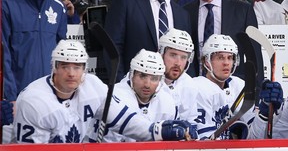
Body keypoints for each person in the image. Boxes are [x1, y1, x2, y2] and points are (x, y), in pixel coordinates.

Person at [13, 40, 197, 143]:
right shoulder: (34, 101)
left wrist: (157, 131)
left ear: (84, 69)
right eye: (65, 66)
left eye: (77, 67)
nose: (71, 73)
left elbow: (126, 121)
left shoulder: (93, 87)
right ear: (54, 67)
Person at [183, 0, 264, 105]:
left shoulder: (242, 10)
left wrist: (255, 98)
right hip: (196, 93)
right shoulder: (186, 12)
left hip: (234, 93)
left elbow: (255, 58)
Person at [104, 0, 192, 82]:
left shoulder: (183, 15)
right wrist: (120, 85)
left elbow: (186, 55)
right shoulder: (126, 2)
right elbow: (112, 48)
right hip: (131, 87)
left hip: (170, 90)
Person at [2, 0, 67, 102]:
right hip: (19, 98)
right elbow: (4, 57)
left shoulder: (58, 6)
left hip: (52, 97)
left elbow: (62, 55)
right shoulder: (5, 4)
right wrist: (10, 97)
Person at [104, 49, 183, 142]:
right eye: (142, 76)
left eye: (154, 78)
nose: (147, 84)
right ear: (132, 75)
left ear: (160, 80)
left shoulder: (167, 102)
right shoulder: (115, 96)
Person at [194, 34, 254, 139]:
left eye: (230, 58)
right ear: (206, 61)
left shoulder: (240, 86)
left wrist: (264, 117)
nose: (226, 63)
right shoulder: (197, 88)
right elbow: (203, 141)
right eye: (220, 58)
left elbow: (255, 135)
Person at [158, 28, 199, 126]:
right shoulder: (145, 80)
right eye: (173, 55)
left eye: (183, 57)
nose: (178, 63)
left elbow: (191, 121)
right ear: (161, 53)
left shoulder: (189, 85)